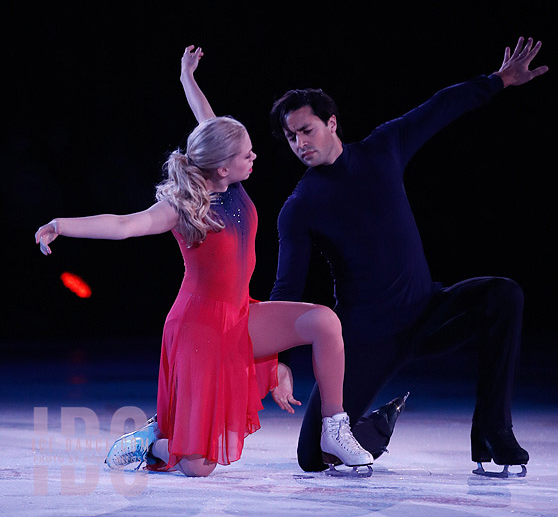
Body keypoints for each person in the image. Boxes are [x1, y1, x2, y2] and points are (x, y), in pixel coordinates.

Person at [34, 53, 374, 477]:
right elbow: (123, 225)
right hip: (199, 329)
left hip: (239, 314)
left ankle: (334, 428)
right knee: (198, 467)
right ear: (222, 165)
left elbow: (207, 122)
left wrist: (186, 78)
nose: (255, 158)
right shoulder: (181, 206)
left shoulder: (231, 181)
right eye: (246, 154)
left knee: (323, 321)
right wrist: (61, 224)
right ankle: (153, 440)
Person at [267, 36, 548, 475]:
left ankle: (493, 429)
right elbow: (287, 289)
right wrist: (278, 362)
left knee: (503, 295)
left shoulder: (383, 149)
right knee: (312, 458)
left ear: (332, 122)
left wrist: (497, 81)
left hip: (428, 313)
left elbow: (437, 108)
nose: (300, 143)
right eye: (291, 137)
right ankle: (377, 424)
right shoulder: (300, 206)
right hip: (366, 339)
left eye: (307, 130)